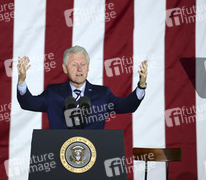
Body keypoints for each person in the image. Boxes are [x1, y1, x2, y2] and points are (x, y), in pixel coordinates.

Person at [17, 45, 148, 129]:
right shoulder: (53, 93)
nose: (79, 69)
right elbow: (29, 104)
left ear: (88, 67)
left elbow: (128, 105)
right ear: (64, 68)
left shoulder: (102, 94)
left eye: (83, 64)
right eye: (74, 65)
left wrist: (141, 86)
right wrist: (22, 81)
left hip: (93, 158)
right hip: (60, 158)